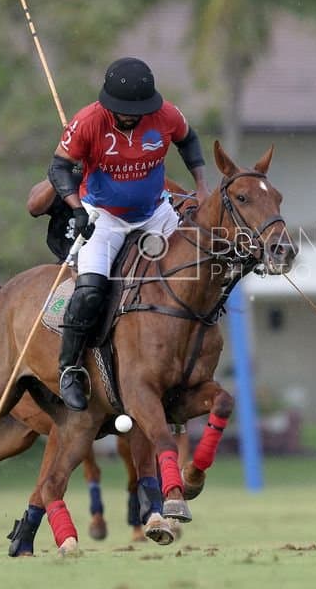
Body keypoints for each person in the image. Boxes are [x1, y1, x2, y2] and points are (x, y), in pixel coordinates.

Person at [47, 57, 209, 411]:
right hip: (103, 216)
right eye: (126, 110)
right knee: (90, 290)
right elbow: (58, 166)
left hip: (156, 212)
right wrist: (77, 208)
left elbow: (189, 141)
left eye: (139, 109)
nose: (132, 116)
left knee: (198, 267)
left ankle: (189, 356)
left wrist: (200, 186)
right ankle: (70, 369)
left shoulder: (166, 115)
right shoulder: (88, 121)